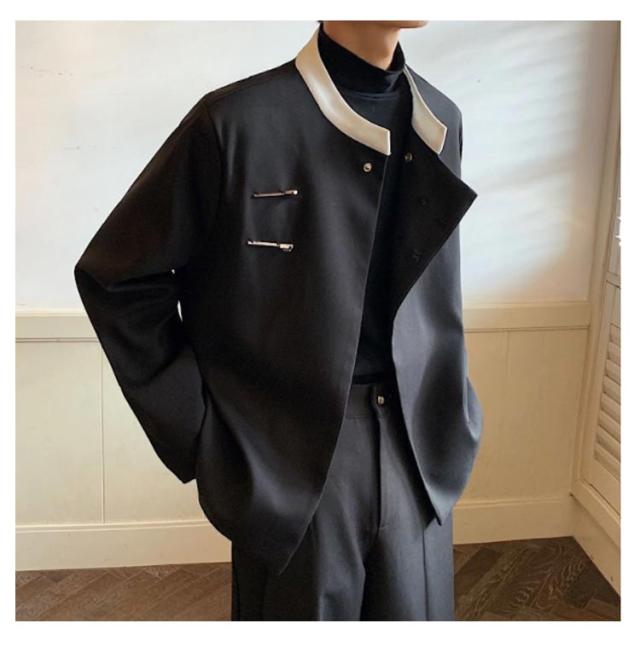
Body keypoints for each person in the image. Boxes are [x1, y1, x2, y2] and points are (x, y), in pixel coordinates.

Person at [74, 20, 484, 620]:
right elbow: (117, 275)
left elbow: (435, 289)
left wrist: (454, 409)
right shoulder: (234, 123)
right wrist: (202, 434)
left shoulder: (441, 121)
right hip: (290, 462)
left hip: (420, 450)